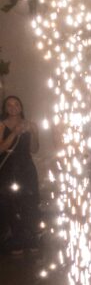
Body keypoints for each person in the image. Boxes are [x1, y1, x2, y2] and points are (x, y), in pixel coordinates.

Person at [0, 96, 41, 252]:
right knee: (11, 201)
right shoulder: (2, 126)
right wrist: (14, 133)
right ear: (5, 109)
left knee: (29, 200)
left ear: (21, 107)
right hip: (9, 168)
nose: (13, 107)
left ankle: (30, 237)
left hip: (25, 167)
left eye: (16, 104)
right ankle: (16, 238)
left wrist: (33, 133)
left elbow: (34, 149)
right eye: (9, 105)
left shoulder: (31, 125)